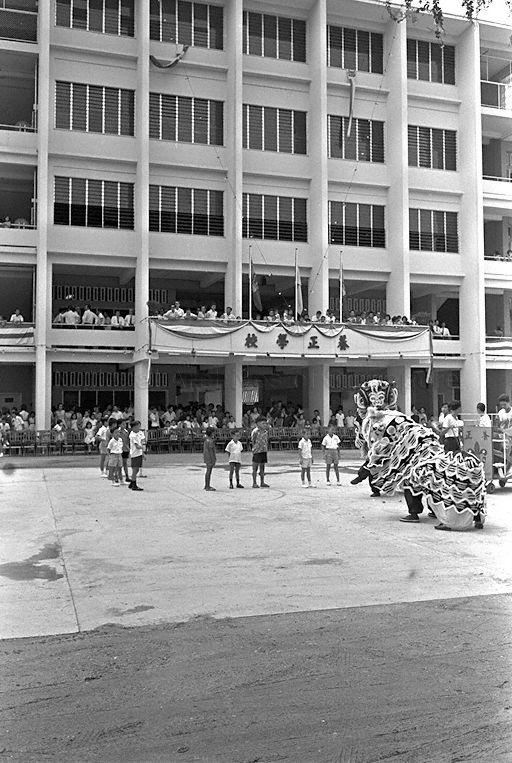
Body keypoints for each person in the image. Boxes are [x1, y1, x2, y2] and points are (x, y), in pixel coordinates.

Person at [251, 417, 270, 488]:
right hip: (257, 451)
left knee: (262, 467)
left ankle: (262, 482)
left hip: (264, 451)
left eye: (265, 423)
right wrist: (255, 449)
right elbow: (253, 441)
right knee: (255, 467)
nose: (265, 425)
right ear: (258, 424)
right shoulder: (255, 431)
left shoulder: (266, 432)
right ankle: (254, 483)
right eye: (263, 423)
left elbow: (266, 440)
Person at [128, 421, 145, 491]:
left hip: (139, 453)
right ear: (133, 427)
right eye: (137, 427)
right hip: (135, 454)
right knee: (135, 469)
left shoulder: (139, 433)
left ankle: (132, 482)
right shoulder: (132, 435)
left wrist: (142, 452)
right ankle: (134, 485)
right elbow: (137, 446)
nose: (139, 428)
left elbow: (143, 440)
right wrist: (142, 447)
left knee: (137, 469)